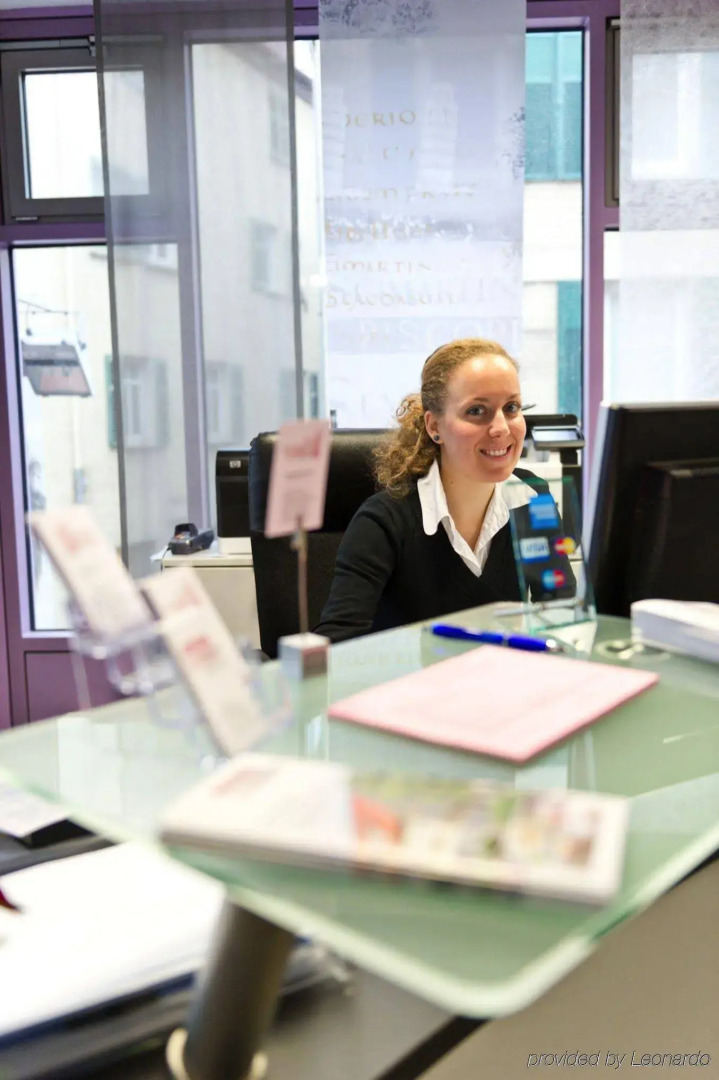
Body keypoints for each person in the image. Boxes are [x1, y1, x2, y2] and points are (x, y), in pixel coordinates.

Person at [314, 337, 572, 643]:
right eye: (476, 410)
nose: (501, 428)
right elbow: (336, 647)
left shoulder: (532, 498)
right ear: (434, 427)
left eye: (511, 407)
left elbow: (562, 618)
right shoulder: (384, 521)